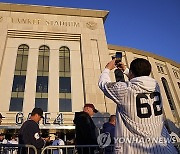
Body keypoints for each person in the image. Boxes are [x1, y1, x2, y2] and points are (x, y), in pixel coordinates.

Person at [98, 58, 178, 154]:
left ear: (132, 72)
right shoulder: (156, 86)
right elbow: (141, 80)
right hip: (164, 148)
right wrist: (127, 71)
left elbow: (103, 84)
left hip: (136, 149)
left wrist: (107, 68)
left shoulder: (125, 89)